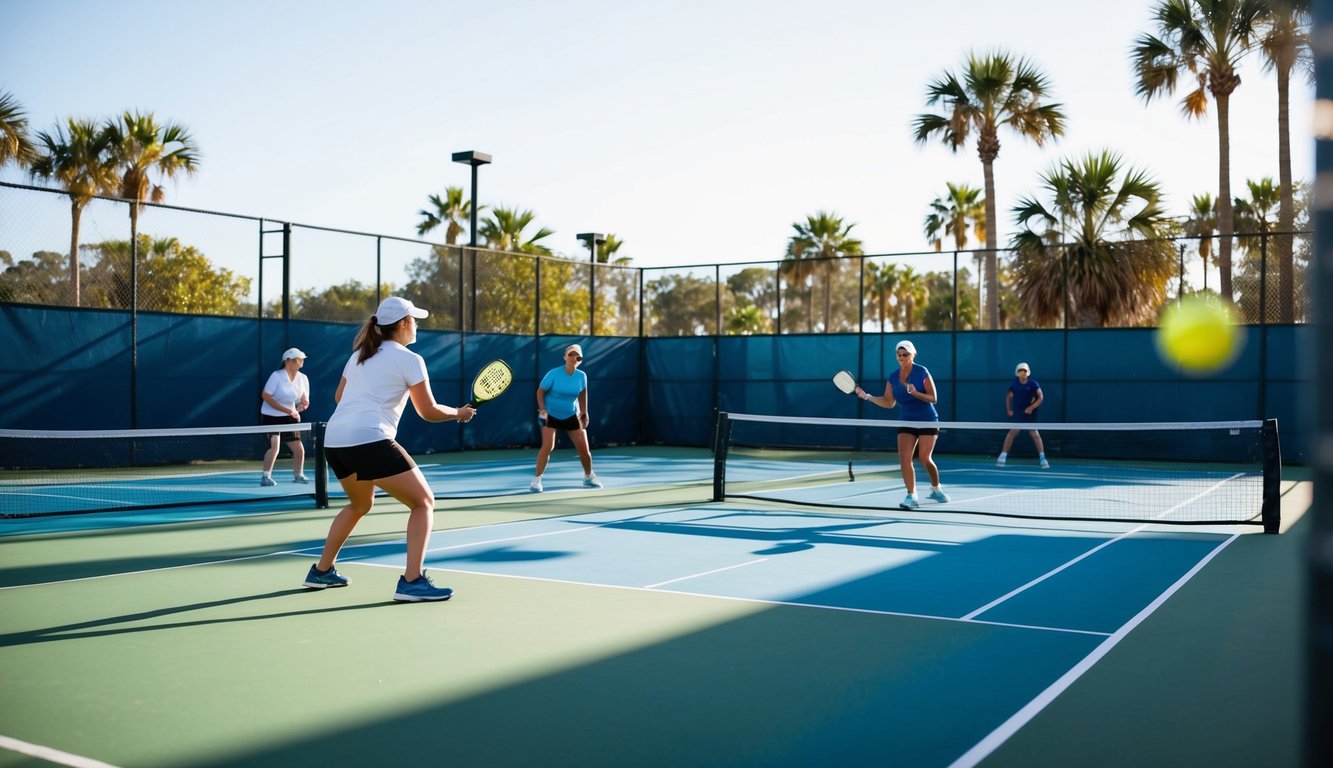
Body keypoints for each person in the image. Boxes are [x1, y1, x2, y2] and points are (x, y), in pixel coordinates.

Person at [302, 296, 476, 602]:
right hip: (370, 438)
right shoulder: (410, 359)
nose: (416, 326)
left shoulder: (359, 355)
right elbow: (428, 411)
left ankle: (321, 571)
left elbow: (340, 397)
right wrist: (457, 413)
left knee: (359, 505)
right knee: (423, 503)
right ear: (404, 323)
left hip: (336, 440)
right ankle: (412, 581)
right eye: (414, 320)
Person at [854, 339, 948, 510]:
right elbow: (888, 402)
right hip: (906, 419)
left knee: (925, 458)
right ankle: (911, 495)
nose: (902, 357)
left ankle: (936, 488)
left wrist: (916, 393)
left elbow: (933, 398)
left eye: (905, 354)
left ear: (913, 355)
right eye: (899, 355)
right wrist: (868, 396)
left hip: (927, 419)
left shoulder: (922, 372)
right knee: (905, 458)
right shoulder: (893, 377)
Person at [530, 343, 602, 492]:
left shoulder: (582, 376)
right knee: (548, 446)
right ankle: (536, 480)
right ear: (565, 357)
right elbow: (540, 392)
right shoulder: (554, 374)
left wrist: (584, 412)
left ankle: (588, 476)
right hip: (550, 414)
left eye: (578, 356)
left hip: (571, 414)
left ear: (580, 360)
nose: (574, 358)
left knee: (584, 450)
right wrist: (542, 410)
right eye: (571, 354)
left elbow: (583, 393)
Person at [260, 347, 311, 486]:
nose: (302, 361)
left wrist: (301, 407)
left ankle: (298, 475)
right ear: (288, 361)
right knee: (275, 447)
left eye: (302, 359)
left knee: (299, 449)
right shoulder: (276, 376)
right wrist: (288, 411)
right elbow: (266, 396)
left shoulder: (303, 378)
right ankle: (266, 477)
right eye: (299, 359)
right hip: (271, 416)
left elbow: (304, 400)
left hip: (289, 416)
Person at [997, 361, 1050, 469]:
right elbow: (1008, 397)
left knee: (1034, 434)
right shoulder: (1014, 385)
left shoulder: (1033, 384)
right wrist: (1009, 409)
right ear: (1017, 373)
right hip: (1018, 414)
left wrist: (1031, 408)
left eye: (1024, 371)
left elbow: (1040, 397)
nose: (1022, 373)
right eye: (1020, 371)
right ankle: (1003, 456)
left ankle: (1042, 458)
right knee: (1012, 433)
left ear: (1028, 372)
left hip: (1030, 415)